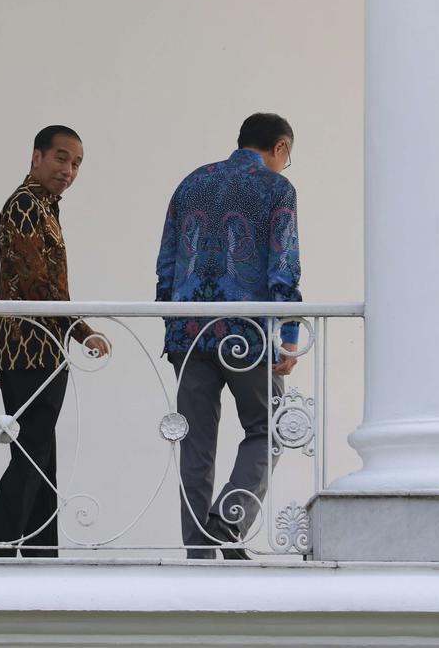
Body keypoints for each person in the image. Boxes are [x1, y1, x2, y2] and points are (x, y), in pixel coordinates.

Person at [155, 113, 302, 559]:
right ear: (279, 148)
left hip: (190, 333)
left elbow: (166, 264)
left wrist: (171, 326)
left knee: (195, 445)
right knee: (272, 428)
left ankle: (199, 552)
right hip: (248, 334)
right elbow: (284, 266)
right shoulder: (277, 189)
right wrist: (289, 337)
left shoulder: (191, 183)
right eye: (287, 157)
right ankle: (230, 519)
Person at [0, 125, 109, 558]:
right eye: (61, 158)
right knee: (32, 458)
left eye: (76, 163)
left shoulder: (44, 207)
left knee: (41, 461)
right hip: (28, 348)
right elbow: (38, 285)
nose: (69, 170)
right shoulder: (26, 205)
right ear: (36, 157)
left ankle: (39, 558)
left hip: (38, 348)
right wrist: (83, 331)